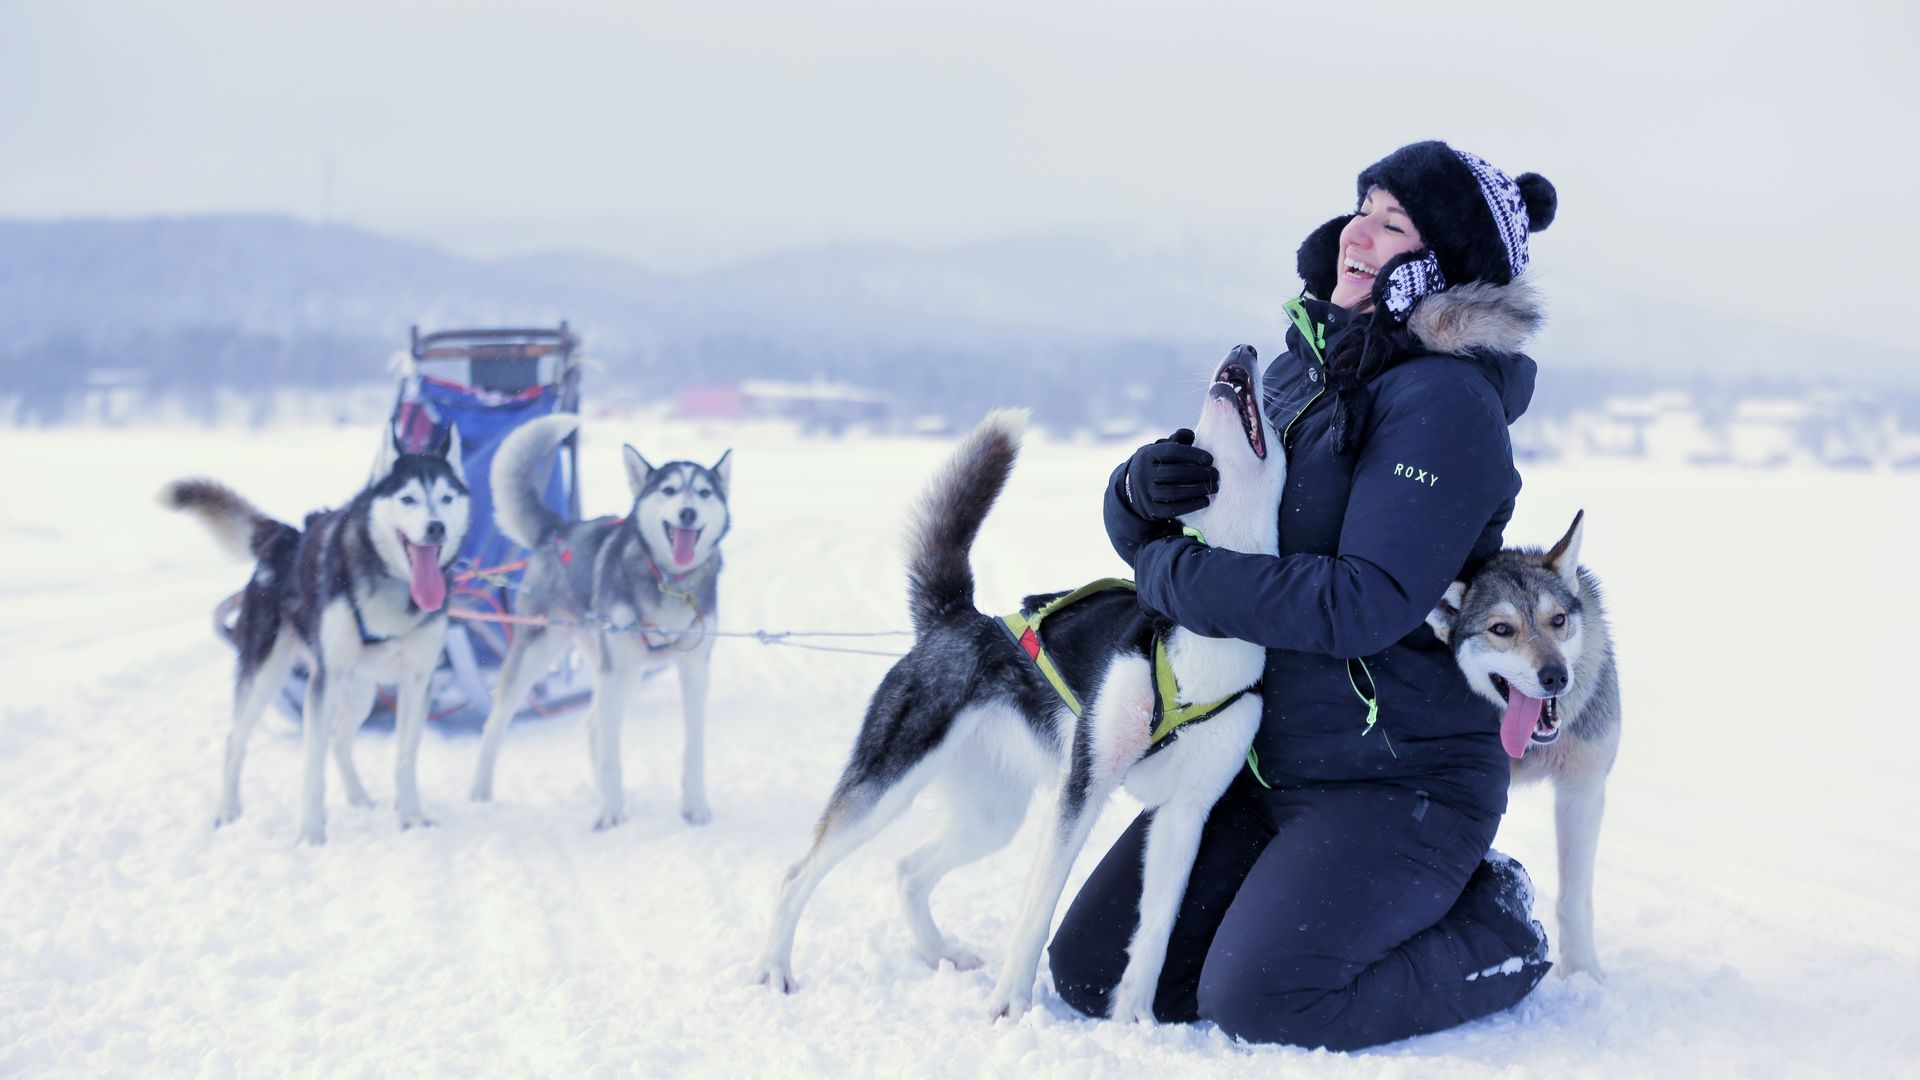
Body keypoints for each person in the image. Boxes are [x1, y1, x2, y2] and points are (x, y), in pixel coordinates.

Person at [1047, 141, 1559, 1050]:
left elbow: (1363, 601)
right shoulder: (1303, 370)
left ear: (1445, 265)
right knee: (1099, 970)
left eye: (1394, 223)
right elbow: (1204, 526)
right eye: (1362, 205)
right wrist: (1136, 494)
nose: (1359, 231)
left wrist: (1167, 574)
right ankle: (1313, 900)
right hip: (1258, 761)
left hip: (1400, 780)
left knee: (1271, 998)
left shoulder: (1446, 406)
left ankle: (1497, 923)